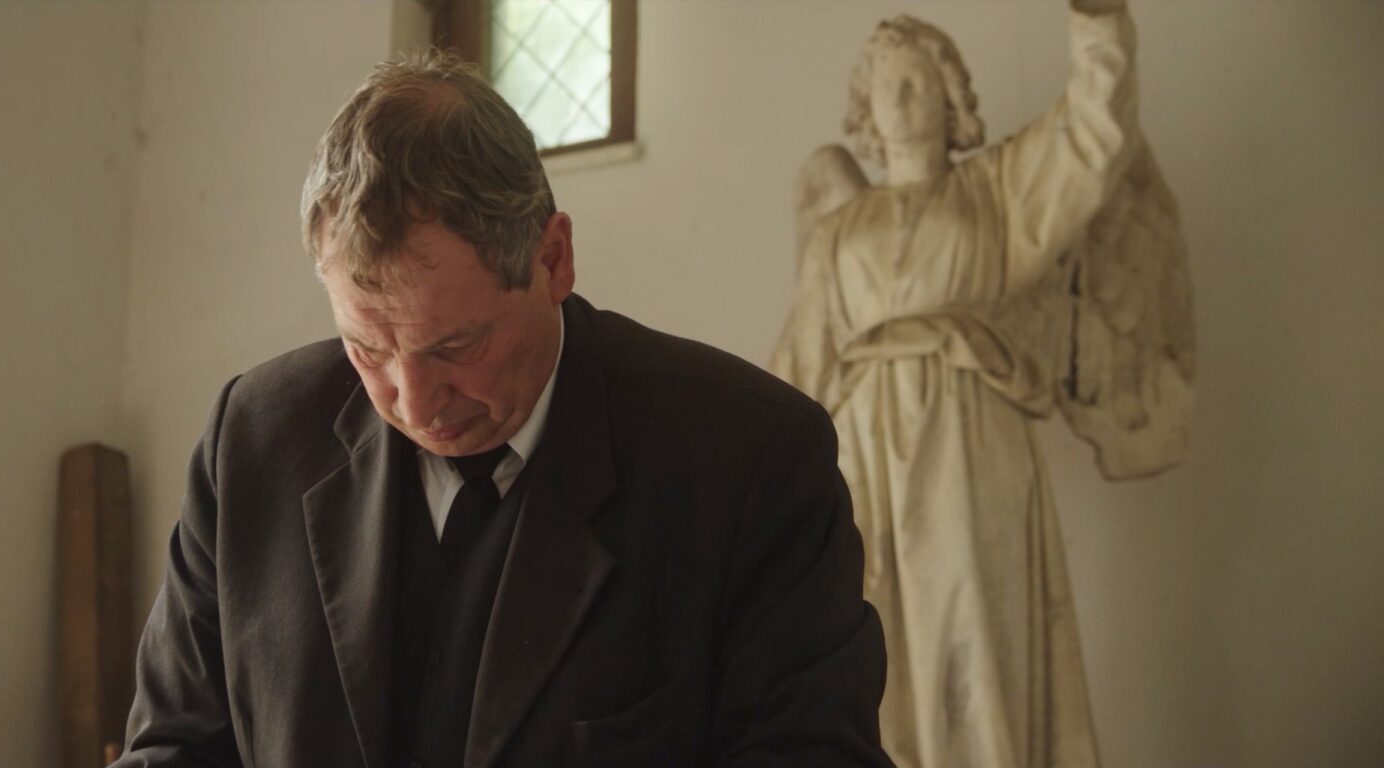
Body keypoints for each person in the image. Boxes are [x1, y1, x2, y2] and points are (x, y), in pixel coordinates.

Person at [112, 51, 895, 767]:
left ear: (553, 258)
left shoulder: (750, 461)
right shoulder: (253, 441)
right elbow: (174, 749)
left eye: (456, 345)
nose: (414, 402)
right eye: (369, 349)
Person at [771, 1, 1172, 766]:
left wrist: (1097, 23)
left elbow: (1095, 135)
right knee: (874, 644)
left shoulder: (996, 191)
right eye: (885, 85)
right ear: (864, 106)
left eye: (917, 81)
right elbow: (802, 364)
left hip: (967, 437)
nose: (900, 99)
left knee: (978, 630)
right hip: (864, 452)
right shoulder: (840, 230)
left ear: (950, 93)